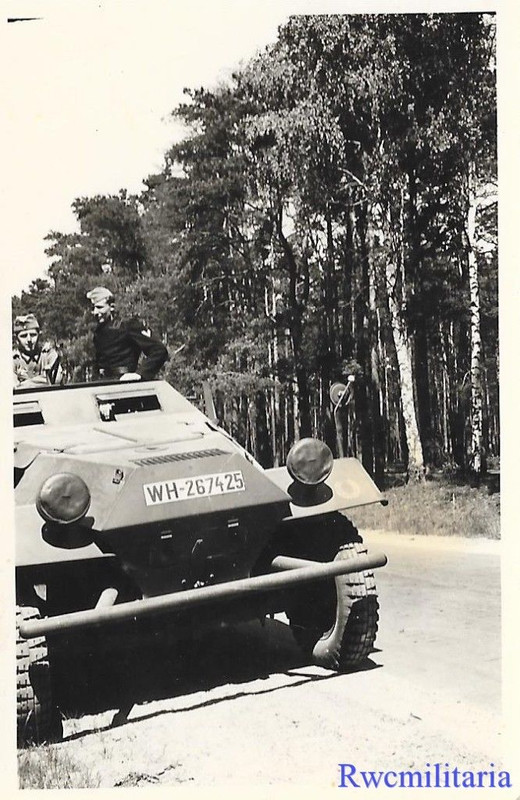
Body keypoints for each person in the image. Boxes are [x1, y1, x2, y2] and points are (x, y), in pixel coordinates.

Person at [86, 286, 168, 380]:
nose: (95, 312)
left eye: (99, 307)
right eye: (93, 308)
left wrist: (140, 374)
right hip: (103, 384)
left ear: (112, 307)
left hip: (124, 385)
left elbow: (159, 350)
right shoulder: (98, 332)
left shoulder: (127, 326)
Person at [13, 314, 63, 388]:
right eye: (23, 336)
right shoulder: (13, 359)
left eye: (33, 335)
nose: (29, 340)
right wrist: (44, 380)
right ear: (16, 339)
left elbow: (56, 380)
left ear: (39, 336)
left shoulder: (48, 354)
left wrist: (23, 384)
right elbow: (12, 387)